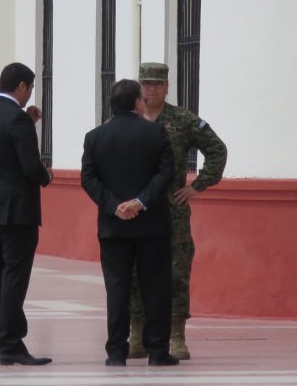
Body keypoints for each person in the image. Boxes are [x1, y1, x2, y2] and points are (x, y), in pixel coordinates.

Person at [127, 62, 227, 360]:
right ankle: (137, 335)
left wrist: (199, 185)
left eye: (157, 84)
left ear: (167, 87)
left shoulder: (183, 120)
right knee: (134, 272)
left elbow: (217, 149)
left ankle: (177, 336)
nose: (151, 89)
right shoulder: (128, 120)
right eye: (145, 84)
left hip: (173, 210)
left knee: (177, 272)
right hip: (136, 210)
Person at [80, 79, 180, 367]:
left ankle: (116, 351)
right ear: (137, 103)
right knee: (156, 287)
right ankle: (158, 351)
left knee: (117, 289)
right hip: (152, 225)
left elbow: (88, 178)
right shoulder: (155, 133)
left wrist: (115, 206)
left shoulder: (95, 137)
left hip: (114, 227)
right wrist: (141, 201)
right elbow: (166, 173)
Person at [0, 62, 54, 366]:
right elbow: (29, 166)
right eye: (30, 88)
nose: (29, 93)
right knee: (14, 276)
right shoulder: (16, 119)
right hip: (17, 211)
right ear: (22, 86)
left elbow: (1, 153)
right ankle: (11, 343)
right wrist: (46, 176)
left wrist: (25, 123)